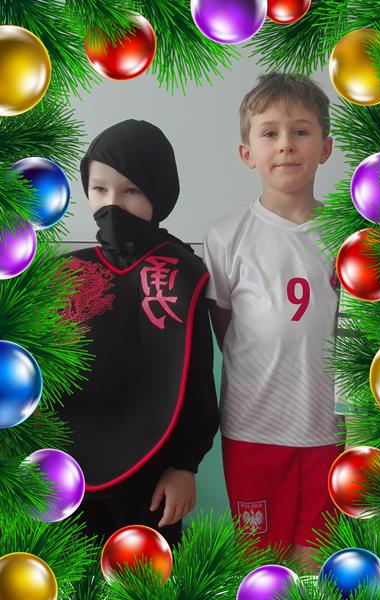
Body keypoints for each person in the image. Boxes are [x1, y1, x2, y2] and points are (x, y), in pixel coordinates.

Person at [203, 73, 344, 569]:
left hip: (327, 430)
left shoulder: (347, 236)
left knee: (314, 562)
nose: (286, 144)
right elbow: (225, 323)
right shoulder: (226, 235)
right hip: (253, 429)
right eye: (270, 133)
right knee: (260, 563)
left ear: (325, 148)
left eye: (300, 131)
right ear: (247, 153)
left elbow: (353, 332)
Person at [59, 119, 218, 548]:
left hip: (152, 479)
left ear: (158, 192)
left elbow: (196, 380)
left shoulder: (180, 273)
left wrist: (185, 466)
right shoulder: (68, 272)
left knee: (147, 574)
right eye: (99, 189)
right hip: (69, 473)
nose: (112, 205)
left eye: (130, 191)